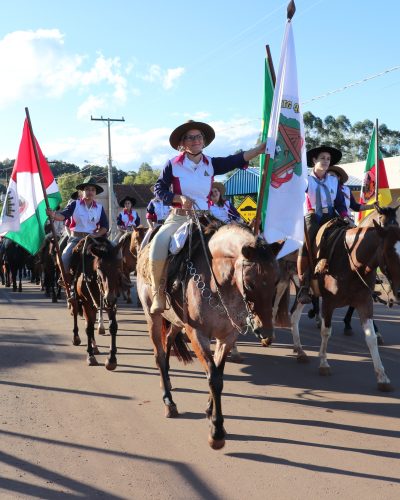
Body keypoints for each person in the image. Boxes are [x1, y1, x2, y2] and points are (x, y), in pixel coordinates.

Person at [149, 119, 266, 314]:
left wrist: (259, 149)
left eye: (198, 137)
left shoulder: (211, 163)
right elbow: (159, 188)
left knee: (237, 243)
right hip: (180, 217)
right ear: (182, 143)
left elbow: (235, 159)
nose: (195, 140)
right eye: (189, 137)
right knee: (158, 243)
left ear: (204, 141)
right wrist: (177, 197)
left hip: (207, 218)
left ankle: (239, 292)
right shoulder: (172, 165)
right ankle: (157, 292)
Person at [297, 145, 347, 304]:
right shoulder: (305, 180)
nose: (326, 161)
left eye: (328, 159)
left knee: (349, 233)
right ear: (314, 160)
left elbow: (339, 202)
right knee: (306, 241)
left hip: (331, 215)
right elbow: (296, 193)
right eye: (322, 158)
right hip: (312, 216)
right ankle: (304, 283)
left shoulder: (333, 180)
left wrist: (345, 216)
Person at [46, 177, 109, 285]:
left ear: (95, 193)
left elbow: (104, 227)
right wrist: (53, 215)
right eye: (88, 189)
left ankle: (113, 281)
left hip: (93, 240)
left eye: (93, 190)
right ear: (82, 191)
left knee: (112, 253)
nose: (90, 192)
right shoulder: (75, 204)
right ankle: (65, 278)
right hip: (76, 239)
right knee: (64, 256)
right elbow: (63, 216)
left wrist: (96, 235)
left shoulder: (99, 207)